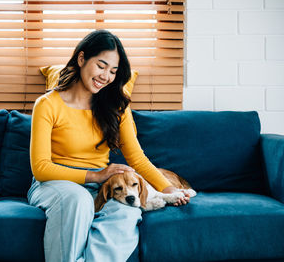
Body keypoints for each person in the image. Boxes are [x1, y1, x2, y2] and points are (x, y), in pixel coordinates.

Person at [27, 29, 190, 262]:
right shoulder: (47, 104)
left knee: (127, 211)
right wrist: (97, 176)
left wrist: (169, 190)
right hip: (53, 184)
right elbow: (41, 168)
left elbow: (137, 159)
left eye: (113, 71)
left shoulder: (116, 105)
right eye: (101, 66)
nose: (106, 76)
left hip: (100, 188)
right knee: (78, 200)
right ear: (81, 59)